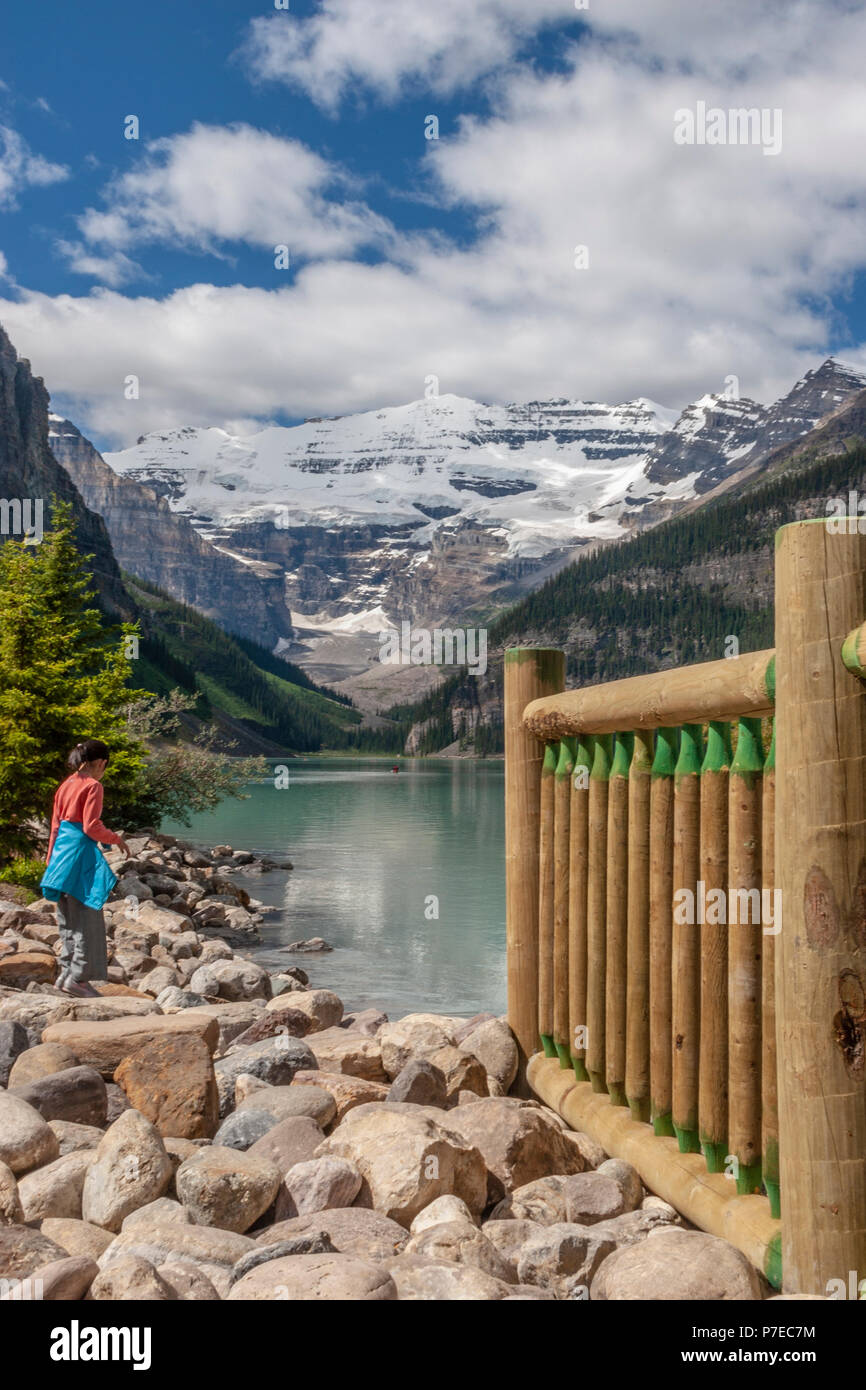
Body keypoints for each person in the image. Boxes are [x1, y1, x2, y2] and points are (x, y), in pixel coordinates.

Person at [41, 739, 130, 998]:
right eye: (105, 766)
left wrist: (51, 860)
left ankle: (66, 974)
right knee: (87, 918)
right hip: (80, 854)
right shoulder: (93, 786)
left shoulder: (65, 785)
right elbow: (91, 826)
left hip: (61, 854)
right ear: (101, 762)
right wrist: (116, 838)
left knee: (67, 917)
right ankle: (78, 979)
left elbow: (55, 827)